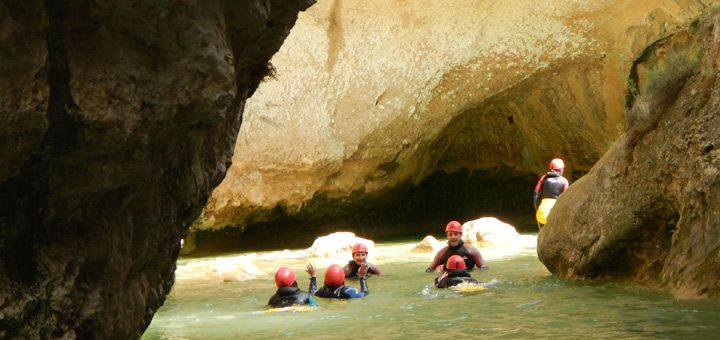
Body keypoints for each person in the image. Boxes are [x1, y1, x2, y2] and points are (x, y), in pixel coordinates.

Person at [533, 158, 570, 227]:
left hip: (541, 216)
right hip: (555, 216)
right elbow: (567, 199)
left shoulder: (543, 178)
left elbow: (535, 194)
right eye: (562, 168)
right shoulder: (564, 181)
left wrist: (537, 209)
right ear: (561, 170)